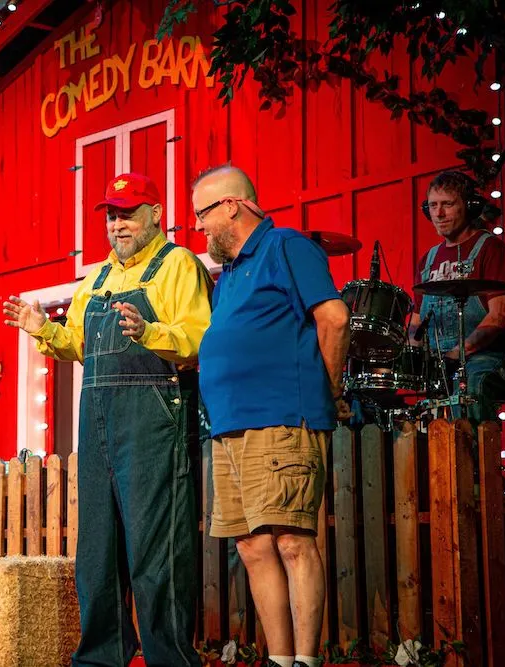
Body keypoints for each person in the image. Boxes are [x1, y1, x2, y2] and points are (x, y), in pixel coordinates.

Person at [3, 173, 213, 666]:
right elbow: (78, 344)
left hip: (155, 422)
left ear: (156, 215)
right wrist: (43, 330)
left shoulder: (177, 264)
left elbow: (199, 338)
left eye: (129, 213)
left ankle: (171, 659)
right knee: (97, 553)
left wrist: (150, 330)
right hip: (98, 425)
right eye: (111, 216)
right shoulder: (95, 277)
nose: (118, 224)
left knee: (156, 554)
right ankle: (101, 658)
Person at [193, 164, 350, 667]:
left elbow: (334, 317)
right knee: (252, 546)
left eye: (202, 214)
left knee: (291, 540)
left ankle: (306, 660)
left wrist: (328, 388)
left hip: (281, 418)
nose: (199, 227)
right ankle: (280, 661)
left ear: (232, 206)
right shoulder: (229, 277)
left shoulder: (286, 246)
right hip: (230, 428)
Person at [409, 170, 505, 424]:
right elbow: (416, 322)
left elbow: (501, 316)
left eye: (447, 205)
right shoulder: (427, 261)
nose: (438, 214)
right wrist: (412, 355)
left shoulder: (490, 249)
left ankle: (476, 462)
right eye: (433, 206)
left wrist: (457, 353)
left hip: (491, 358)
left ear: (470, 207)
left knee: (470, 384)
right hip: (442, 363)